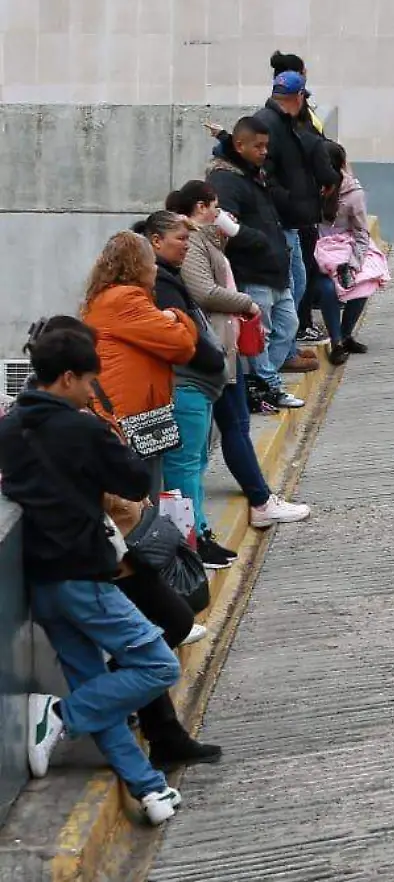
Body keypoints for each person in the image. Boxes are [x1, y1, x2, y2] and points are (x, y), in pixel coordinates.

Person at [0, 327, 186, 825]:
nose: (91, 391)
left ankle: (148, 789)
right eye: (88, 382)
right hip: (84, 576)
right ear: (67, 378)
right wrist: (111, 435)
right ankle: (58, 717)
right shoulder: (80, 429)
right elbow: (130, 479)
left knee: (91, 680)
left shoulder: (10, 427)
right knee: (158, 666)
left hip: (41, 581)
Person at [164, 182, 313, 530]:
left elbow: (250, 248)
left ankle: (260, 497)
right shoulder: (194, 242)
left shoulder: (205, 239)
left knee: (236, 422)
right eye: (214, 207)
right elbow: (203, 290)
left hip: (222, 344)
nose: (219, 213)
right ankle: (260, 500)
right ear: (200, 207)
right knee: (233, 424)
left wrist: (227, 234)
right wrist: (245, 304)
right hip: (212, 348)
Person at [133, 212, 243, 569]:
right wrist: (211, 359)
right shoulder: (161, 284)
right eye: (180, 239)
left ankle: (200, 535)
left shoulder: (170, 277)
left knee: (194, 463)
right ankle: (190, 543)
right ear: (155, 241)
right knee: (184, 467)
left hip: (197, 386)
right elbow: (181, 339)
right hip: (186, 387)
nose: (186, 246)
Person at [78, 233, 201, 496]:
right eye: (151, 262)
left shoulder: (104, 297)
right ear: (138, 264)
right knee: (142, 498)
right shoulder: (127, 300)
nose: (156, 268)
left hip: (121, 412)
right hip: (132, 419)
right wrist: (176, 315)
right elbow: (183, 345)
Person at [206, 117, 304, 410]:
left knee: (288, 326)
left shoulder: (252, 174)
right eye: (258, 146)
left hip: (274, 270)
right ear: (240, 145)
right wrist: (257, 239)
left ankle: (262, 380)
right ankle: (268, 385)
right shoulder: (226, 180)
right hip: (253, 270)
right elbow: (224, 223)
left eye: (266, 146)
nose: (264, 152)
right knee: (260, 333)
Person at [255, 67, 338, 351]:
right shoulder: (271, 125)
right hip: (282, 220)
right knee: (290, 288)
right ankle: (280, 354)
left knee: (297, 285)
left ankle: (287, 348)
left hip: (290, 219)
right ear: (299, 96)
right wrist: (287, 202)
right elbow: (265, 175)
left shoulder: (284, 122)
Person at [314, 142, 384, 363]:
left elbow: (362, 233)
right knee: (326, 288)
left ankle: (346, 334)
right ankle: (336, 341)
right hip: (316, 248)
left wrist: (353, 263)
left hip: (346, 247)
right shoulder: (309, 189)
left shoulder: (353, 194)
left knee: (365, 280)